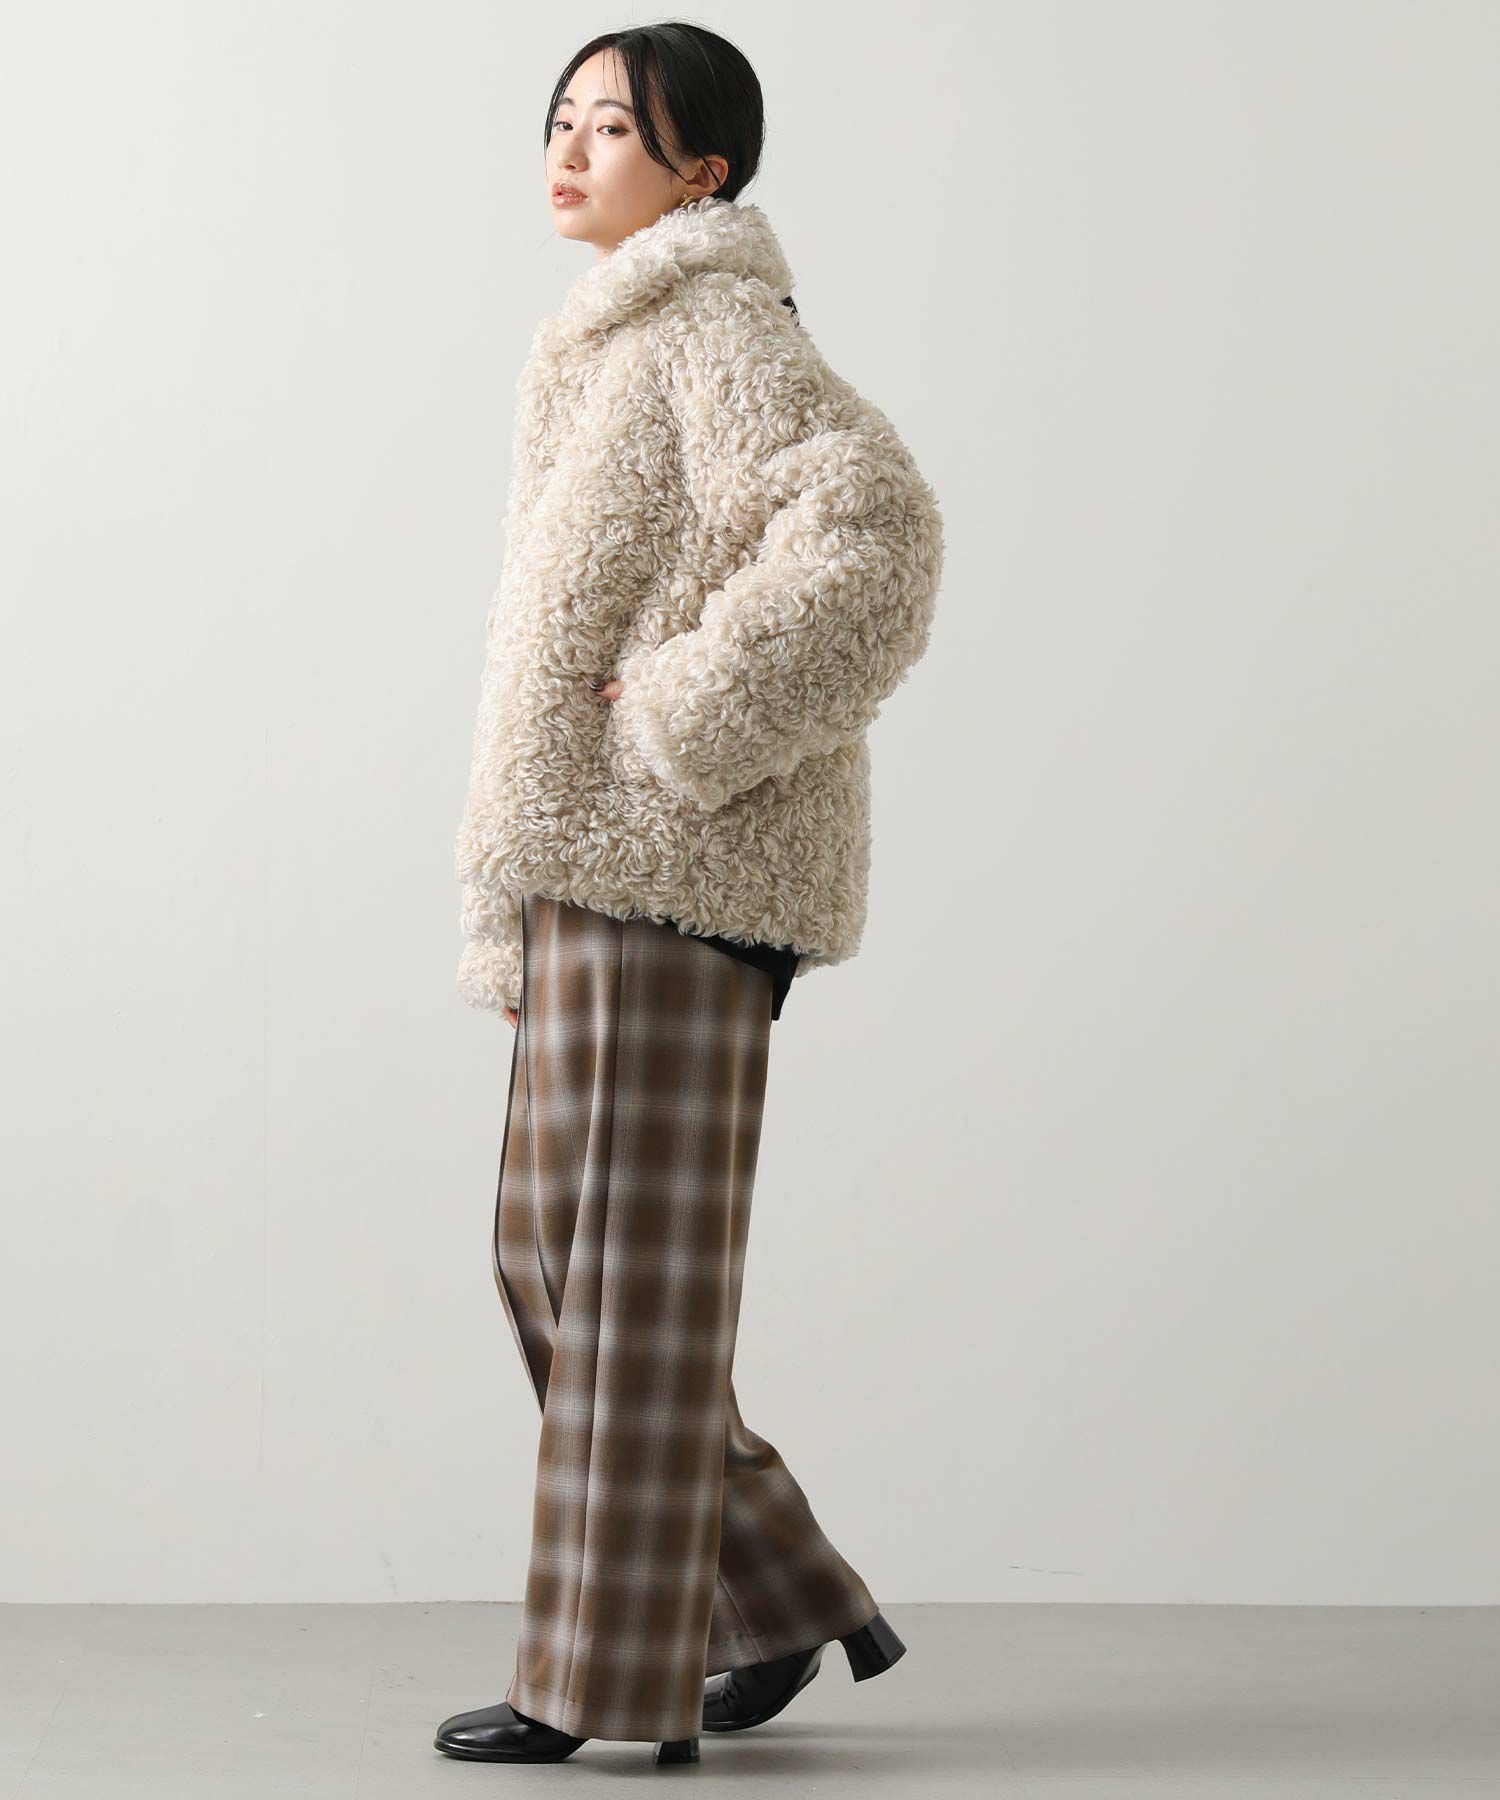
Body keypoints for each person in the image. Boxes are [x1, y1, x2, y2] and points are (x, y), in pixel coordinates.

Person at [439, 19, 943, 1770]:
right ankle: (777, 1597)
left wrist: (680, 713)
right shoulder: (619, 337)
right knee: (553, 1263)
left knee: (624, 1287)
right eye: (562, 119)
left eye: (615, 128)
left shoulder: (717, 323)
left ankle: (599, 1684)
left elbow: (875, 535)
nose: (570, 150)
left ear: (702, 170)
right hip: (592, 867)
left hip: (679, 867)